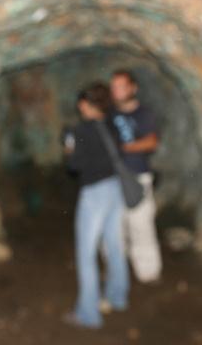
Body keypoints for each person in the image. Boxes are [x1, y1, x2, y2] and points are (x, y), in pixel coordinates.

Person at [63, 83, 129, 329]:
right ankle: (118, 297)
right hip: (115, 188)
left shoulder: (81, 129)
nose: (79, 107)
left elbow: (74, 165)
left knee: (86, 253)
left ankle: (88, 314)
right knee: (114, 245)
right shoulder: (112, 124)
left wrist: (69, 149)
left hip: (95, 194)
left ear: (87, 104)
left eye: (82, 103)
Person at [109, 69, 162, 284]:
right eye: (114, 87)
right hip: (112, 179)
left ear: (133, 88)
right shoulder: (109, 114)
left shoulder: (144, 113)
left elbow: (151, 142)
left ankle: (148, 274)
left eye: (122, 86)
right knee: (114, 228)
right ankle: (118, 274)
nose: (117, 91)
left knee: (141, 227)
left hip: (138, 176)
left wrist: (124, 148)